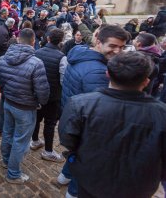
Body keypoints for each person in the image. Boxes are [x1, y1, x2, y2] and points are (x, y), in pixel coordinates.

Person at [59, 52, 166, 198]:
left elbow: (67, 139)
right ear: (146, 81)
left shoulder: (81, 104)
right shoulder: (161, 114)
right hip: (136, 187)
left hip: (91, 177)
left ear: (107, 74)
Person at [59, 25, 129, 198]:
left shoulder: (80, 52)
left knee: (76, 152)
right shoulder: (98, 71)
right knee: (85, 163)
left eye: (122, 47)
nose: (117, 51)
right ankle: (73, 193)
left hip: (71, 113)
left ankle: (64, 176)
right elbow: (99, 108)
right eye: (113, 46)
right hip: (87, 124)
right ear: (98, 41)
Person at [0, 28, 50, 184]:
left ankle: (6, 160)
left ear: (18, 39)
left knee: (8, 133)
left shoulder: (2, 58)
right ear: (33, 41)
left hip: (8, 103)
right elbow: (43, 91)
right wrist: (40, 102)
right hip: (25, 108)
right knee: (20, 140)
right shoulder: (36, 63)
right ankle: (13, 174)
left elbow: (1, 82)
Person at [30, 29, 66, 162]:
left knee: (36, 119)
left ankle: (34, 141)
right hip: (53, 97)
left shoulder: (37, 52)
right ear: (61, 41)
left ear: (49, 38)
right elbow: (63, 80)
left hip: (38, 94)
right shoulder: (62, 57)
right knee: (50, 124)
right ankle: (48, 151)